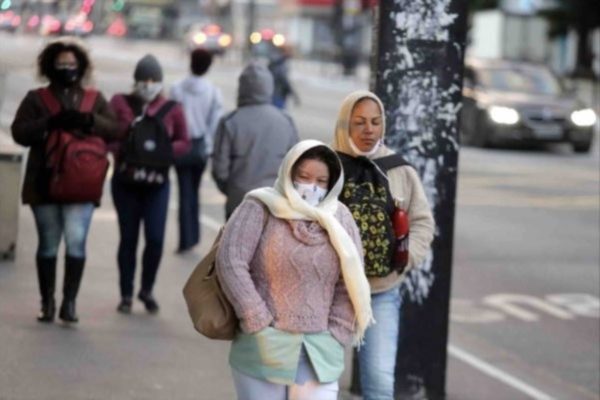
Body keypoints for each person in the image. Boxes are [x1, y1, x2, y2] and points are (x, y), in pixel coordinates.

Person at [216, 140, 374, 400]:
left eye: (322, 180)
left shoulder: (341, 217)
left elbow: (351, 277)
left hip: (320, 350)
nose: (312, 186)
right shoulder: (259, 206)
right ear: (288, 173)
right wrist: (256, 318)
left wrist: (339, 329)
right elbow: (231, 261)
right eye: (304, 177)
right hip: (263, 345)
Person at [331, 91, 435, 400]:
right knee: (318, 382)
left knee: (378, 382)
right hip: (327, 292)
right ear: (344, 124)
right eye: (360, 122)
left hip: (381, 292)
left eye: (376, 122)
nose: (369, 130)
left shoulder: (398, 169)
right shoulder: (325, 165)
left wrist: (406, 258)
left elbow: (423, 221)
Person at [11, 37, 118, 323]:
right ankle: (47, 302)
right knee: (47, 243)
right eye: (61, 65)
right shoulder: (37, 99)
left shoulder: (94, 100)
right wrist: (48, 123)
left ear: (81, 67)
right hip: (44, 185)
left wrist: (88, 121)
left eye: (71, 64)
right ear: (50, 67)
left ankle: (69, 303)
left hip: (81, 185)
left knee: (76, 242)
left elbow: (116, 129)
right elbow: (19, 132)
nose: (67, 69)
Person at [109, 54, 190, 314]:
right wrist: (126, 146)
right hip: (126, 183)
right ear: (135, 81)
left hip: (157, 184)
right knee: (128, 239)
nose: (148, 84)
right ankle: (125, 293)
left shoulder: (172, 108)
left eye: (153, 80)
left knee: (155, 239)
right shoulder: (120, 103)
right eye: (143, 79)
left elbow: (184, 140)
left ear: (160, 82)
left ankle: (147, 289)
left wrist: (162, 150)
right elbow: (107, 135)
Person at [212, 62, 298, 219]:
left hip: (240, 199)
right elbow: (295, 165)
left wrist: (231, 189)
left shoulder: (230, 121)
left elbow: (220, 169)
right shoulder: (285, 121)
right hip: (276, 201)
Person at [170, 48, 223, 253]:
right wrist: (208, 145)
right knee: (195, 190)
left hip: (182, 146)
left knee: (184, 192)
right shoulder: (212, 91)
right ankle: (194, 236)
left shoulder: (177, 88)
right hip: (200, 146)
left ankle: (185, 238)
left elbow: (172, 119)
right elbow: (215, 121)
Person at [267, 45, 299, 109]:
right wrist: (294, 94)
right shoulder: (280, 64)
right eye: (290, 51)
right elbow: (284, 80)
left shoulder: (274, 61)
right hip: (278, 94)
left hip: (271, 93)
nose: (291, 53)